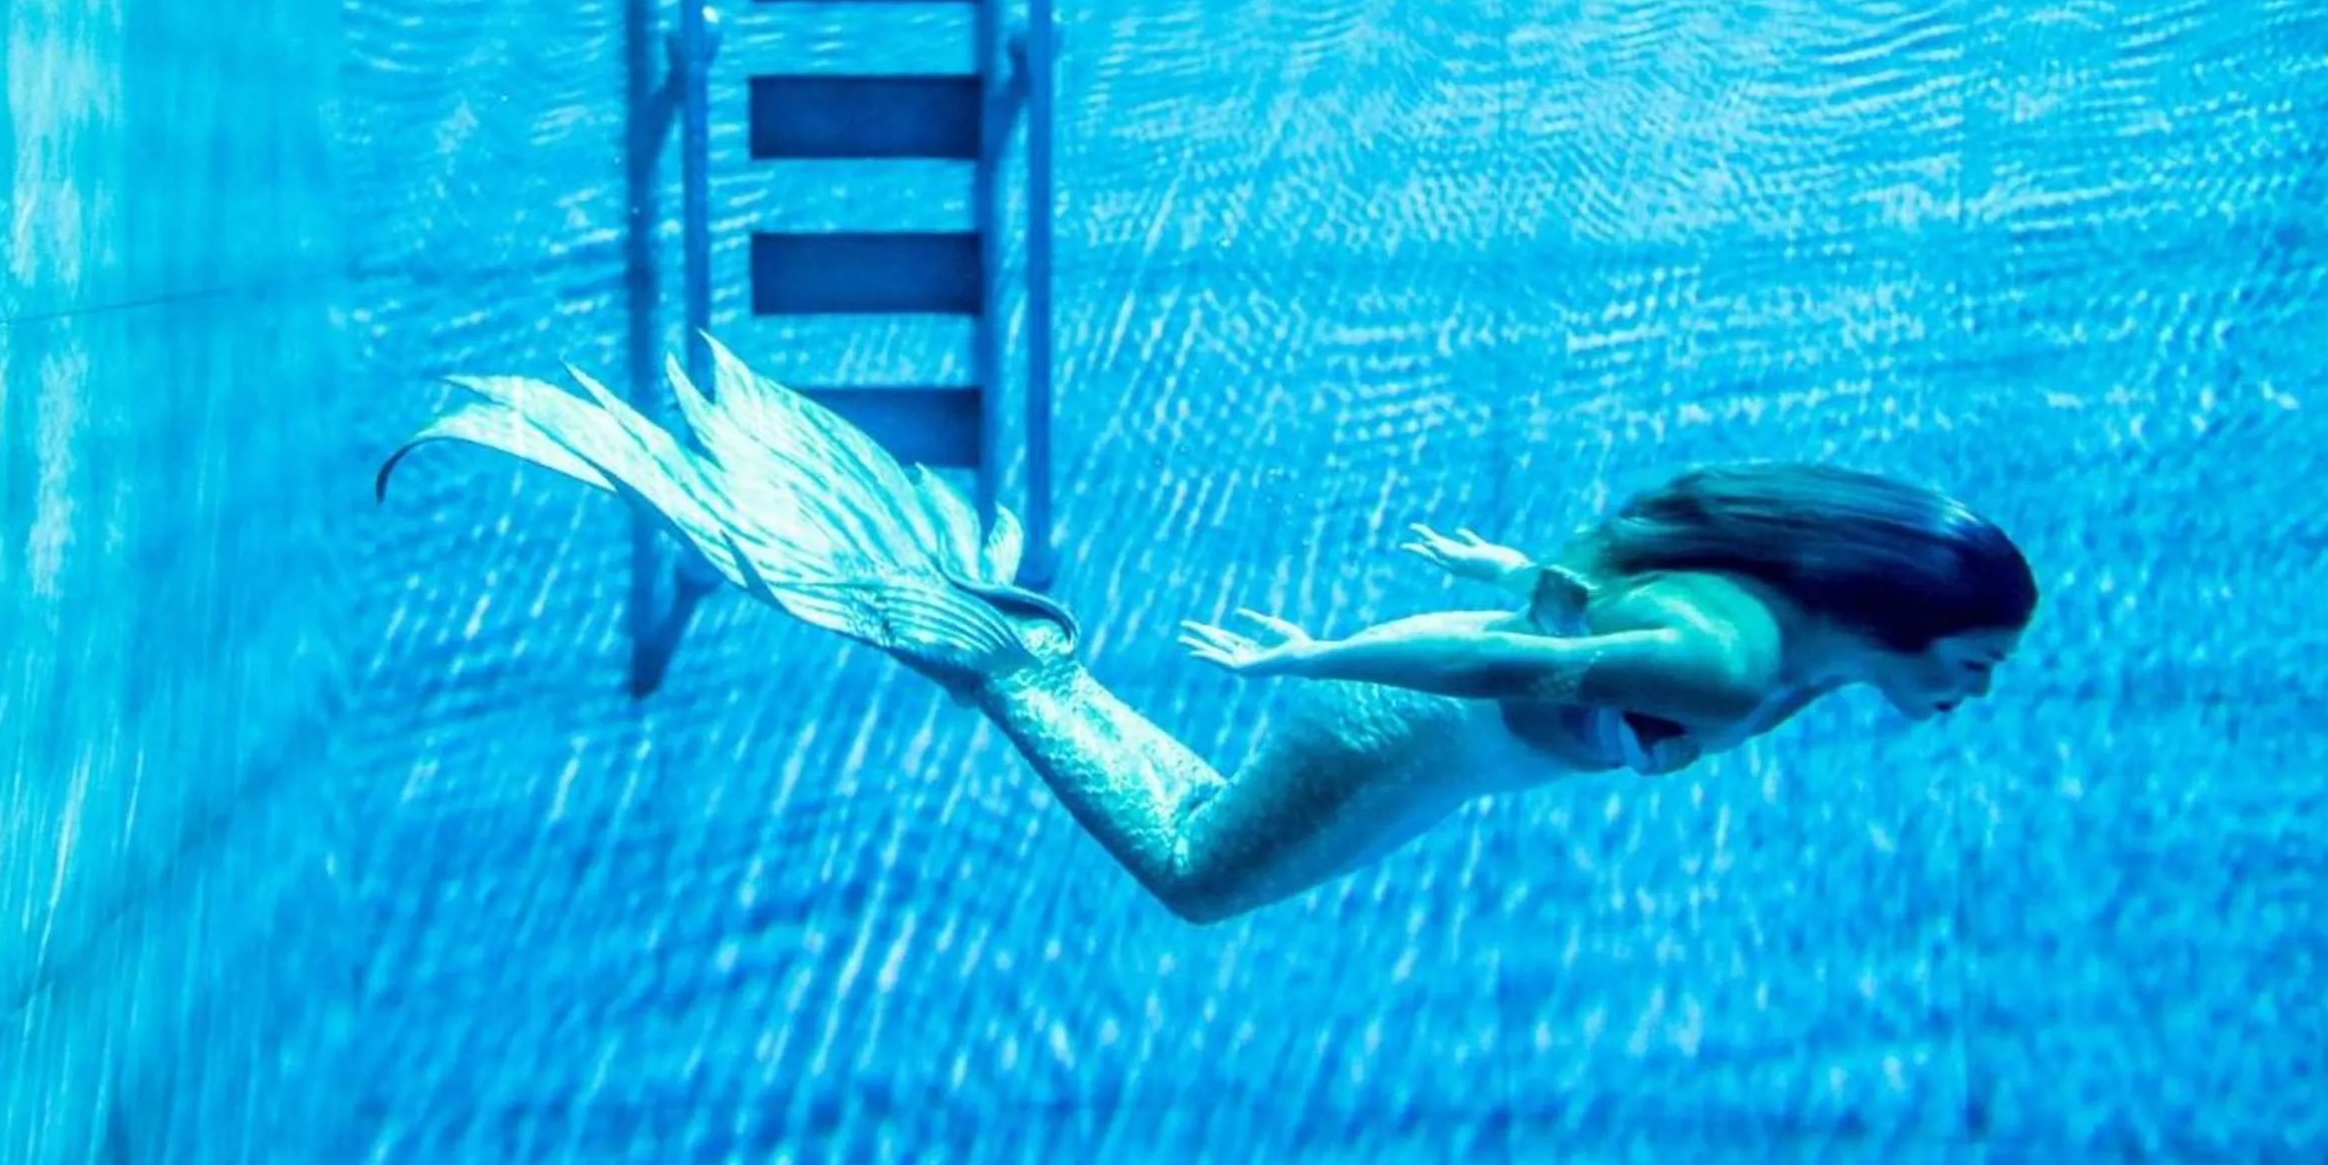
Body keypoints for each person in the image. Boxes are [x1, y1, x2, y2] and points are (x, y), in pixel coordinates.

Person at [379, 336, 2035, 925]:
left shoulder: (1786, 633)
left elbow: (1576, 604)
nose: (1975, 693)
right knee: (1195, 876)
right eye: (1972, 662)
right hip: (1415, 727)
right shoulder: (1740, 661)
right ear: (1904, 614)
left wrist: (1516, 568)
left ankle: (1031, 663)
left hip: (1436, 733)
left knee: (1200, 838)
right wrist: (1303, 663)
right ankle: (1018, 659)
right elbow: (1510, 665)